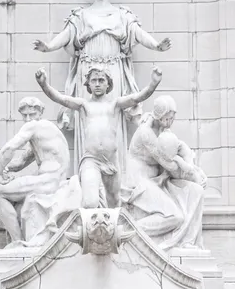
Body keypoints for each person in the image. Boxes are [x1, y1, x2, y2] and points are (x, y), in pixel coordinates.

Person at [33, 0, 172, 172]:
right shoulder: (81, 15)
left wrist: (156, 46)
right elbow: (65, 37)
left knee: (112, 118)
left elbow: (138, 33)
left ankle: (117, 177)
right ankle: (87, 175)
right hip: (87, 72)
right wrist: (48, 47)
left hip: (113, 71)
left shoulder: (121, 15)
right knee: (89, 119)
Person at [35, 65, 162, 209]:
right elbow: (61, 99)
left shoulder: (115, 104)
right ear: (88, 83)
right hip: (91, 160)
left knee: (114, 202)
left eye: (101, 80)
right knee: (90, 202)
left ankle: (110, 230)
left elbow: (137, 97)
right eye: (94, 80)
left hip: (111, 161)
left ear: (108, 83)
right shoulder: (84, 105)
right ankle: (86, 226)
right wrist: (43, 84)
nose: (97, 84)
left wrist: (153, 83)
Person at [0, 97, 80, 248]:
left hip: (50, 181)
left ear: (40, 113)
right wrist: (4, 171)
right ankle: (18, 239)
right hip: (44, 180)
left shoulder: (35, 127)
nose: (29, 119)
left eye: (32, 114)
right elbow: (20, 162)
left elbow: (7, 150)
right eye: (25, 115)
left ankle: (18, 242)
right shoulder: (43, 134)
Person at [123, 95, 206, 250]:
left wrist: (194, 170)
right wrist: (192, 173)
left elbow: (180, 149)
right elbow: (170, 164)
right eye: (167, 119)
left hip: (159, 180)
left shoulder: (162, 130)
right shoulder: (146, 133)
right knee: (174, 216)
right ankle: (125, 232)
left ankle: (187, 241)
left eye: (171, 119)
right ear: (158, 116)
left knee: (196, 191)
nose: (169, 123)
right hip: (139, 183)